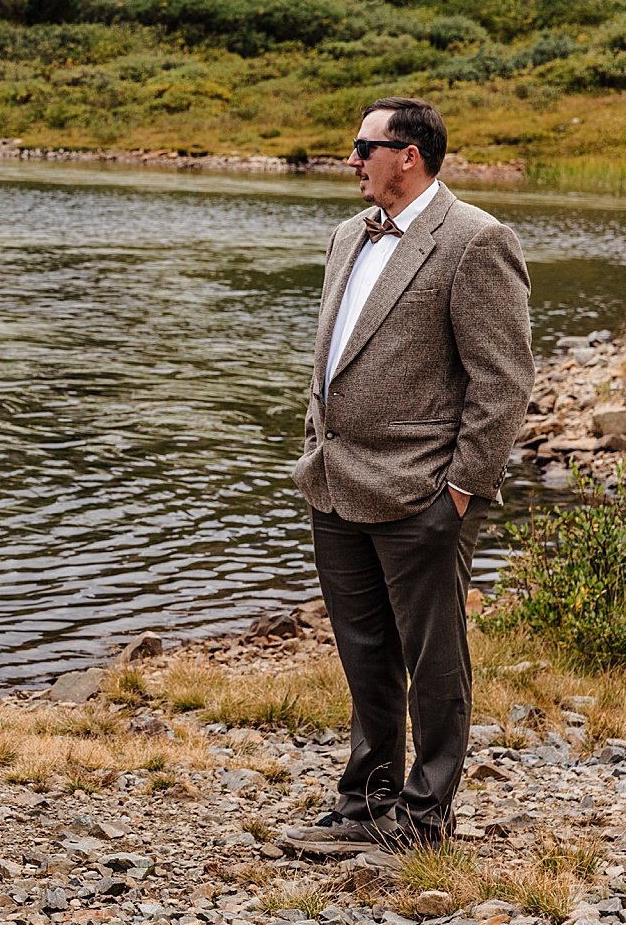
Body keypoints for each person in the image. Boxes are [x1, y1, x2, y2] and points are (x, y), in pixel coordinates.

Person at [283, 97, 533, 857]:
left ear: (409, 155)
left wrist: (461, 488)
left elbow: (504, 380)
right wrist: (313, 441)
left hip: (423, 489)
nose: (352, 159)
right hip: (335, 479)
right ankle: (366, 799)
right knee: (364, 650)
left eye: (364, 146)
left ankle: (425, 818)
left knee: (434, 656)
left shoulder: (475, 240)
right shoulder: (345, 236)